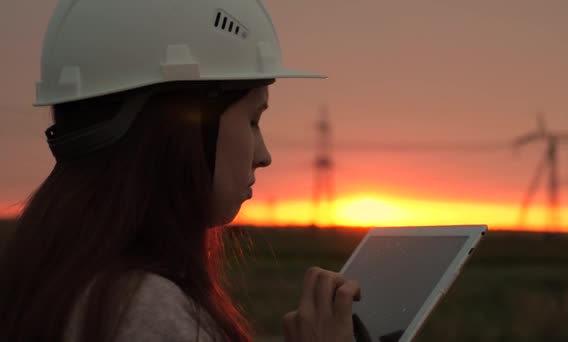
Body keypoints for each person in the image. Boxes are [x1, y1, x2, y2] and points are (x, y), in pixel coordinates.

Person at [0, 0, 362, 341]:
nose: (263, 155)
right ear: (184, 127)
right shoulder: (146, 312)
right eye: (252, 119)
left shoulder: (51, 275)